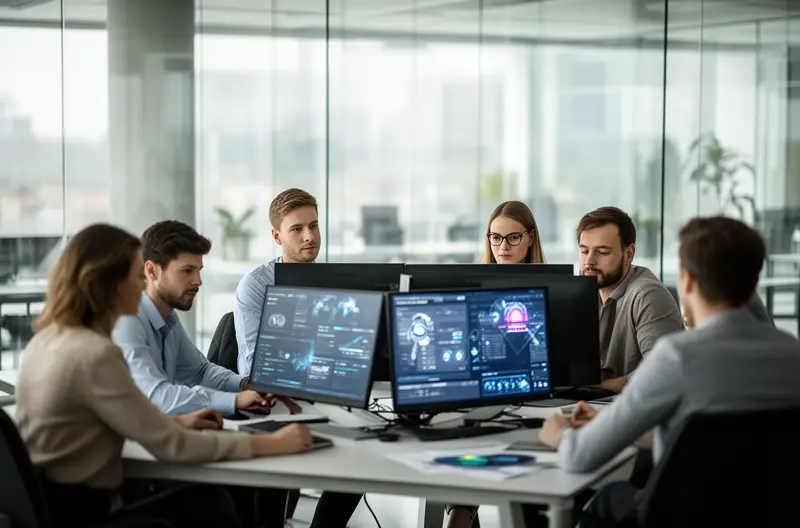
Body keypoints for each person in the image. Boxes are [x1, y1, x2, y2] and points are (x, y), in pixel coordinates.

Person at [15, 223, 313, 528]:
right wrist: (274, 443)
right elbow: (171, 443)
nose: (141, 285)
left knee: (207, 500)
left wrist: (175, 421)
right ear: (105, 282)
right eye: (135, 277)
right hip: (84, 513)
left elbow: (98, 423)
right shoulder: (95, 354)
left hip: (51, 505)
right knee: (209, 503)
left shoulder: (48, 340)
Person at [539, 216, 800, 526]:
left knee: (608, 498)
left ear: (687, 281)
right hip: (765, 514)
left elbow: (579, 458)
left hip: (677, 516)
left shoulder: (677, 357)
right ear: (754, 283)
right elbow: (725, 443)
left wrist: (561, 433)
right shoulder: (793, 354)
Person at [112, 220, 296, 527]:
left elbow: (198, 370)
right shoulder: (128, 321)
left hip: (154, 445)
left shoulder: (166, 319)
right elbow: (156, 397)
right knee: (221, 495)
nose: (198, 280)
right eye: (187, 271)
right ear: (152, 270)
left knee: (246, 477)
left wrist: (247, 384)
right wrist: (234, 402)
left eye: (199, 270)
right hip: (128, 473)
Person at [233, 189, 363, 528]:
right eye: (297, 229)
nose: (310, 236)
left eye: (315, 225)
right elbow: (252, 365)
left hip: (326, 395)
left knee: (362, 458)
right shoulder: (256, 286)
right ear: (277, 236)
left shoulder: (336, 284)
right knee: (276, 460)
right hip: (275, 399)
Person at [446, 200, 547, 527]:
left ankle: (462, 514)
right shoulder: (470, 285)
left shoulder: (552, 287)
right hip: (481, 390)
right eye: (495, 237)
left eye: (513, 238)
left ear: (530, 238)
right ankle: (460, 515)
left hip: (537, 397)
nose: (503, 246)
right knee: (466, 448)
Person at [577, 207, 683, 392]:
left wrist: (599, 387)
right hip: (599, 405)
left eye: (602, 252)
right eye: (584, 251)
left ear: (628, 254)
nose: (589, 261)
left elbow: (660, 373)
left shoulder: (648, 295)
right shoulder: (582, 292)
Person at [479, 200, 546, 264]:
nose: (504, 247)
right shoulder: (472, 275)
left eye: (514, 237)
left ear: (531, 238)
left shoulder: (552, 276)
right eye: (496, 238)